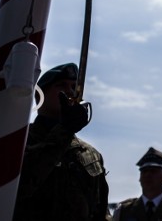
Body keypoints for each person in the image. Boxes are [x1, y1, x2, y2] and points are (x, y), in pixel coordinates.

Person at [13, 63, 110, 221]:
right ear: (39, 96)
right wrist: (64, 130)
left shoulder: (90, 154)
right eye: (61, 85)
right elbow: (20, 187)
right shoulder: (19, 141)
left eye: (73, 86)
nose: (70, 91)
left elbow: (100, 210)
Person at [113, 147, 162, 221]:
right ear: (139, 178)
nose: (148, 175)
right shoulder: (124, 210)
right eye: (144, 171)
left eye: (153, 171)